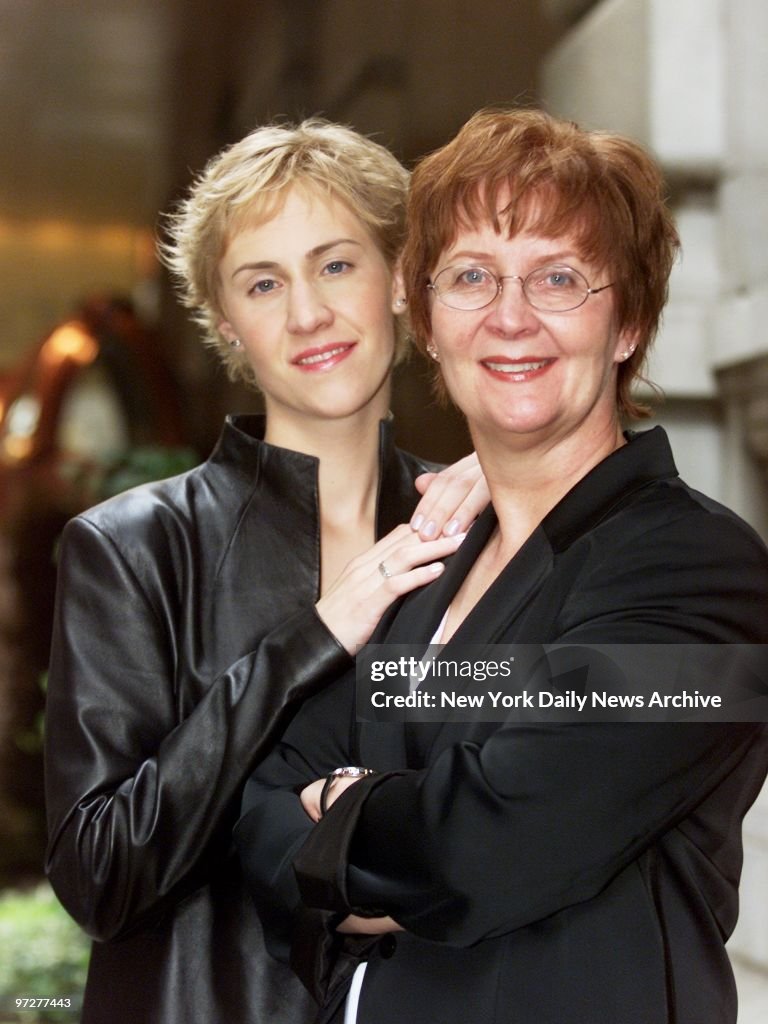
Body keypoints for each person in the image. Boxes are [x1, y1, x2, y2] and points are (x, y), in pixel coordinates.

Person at [235, 108, 768, 1024]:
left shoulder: (698, 569)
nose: (510, 317)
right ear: (430, 321)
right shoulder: (427, 555)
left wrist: (344, 805)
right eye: (472, 277)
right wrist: (369, 815)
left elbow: (485, 851)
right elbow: (257, 807)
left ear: (630, 321)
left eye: (559, 278)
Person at [43, 119, 488, 1024]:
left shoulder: (482, 528)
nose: (307, 314)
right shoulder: (132, 548)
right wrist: (313, 641)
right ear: (226, 323)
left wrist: (538, 478)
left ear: (403, 282)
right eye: (263, 283)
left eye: (335, 265)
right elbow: (99, 874)